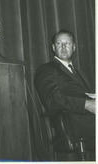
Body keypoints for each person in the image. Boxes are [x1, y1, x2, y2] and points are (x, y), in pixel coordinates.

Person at [34, 30, 95, 161]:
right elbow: (52, 100)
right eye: (59, 43)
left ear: (73, 47)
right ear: (53, 47)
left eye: (67, 43)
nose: (63, 47)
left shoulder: (79, 72)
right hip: (72, 123)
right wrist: (87, 104)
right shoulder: (46, 69)